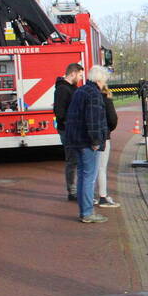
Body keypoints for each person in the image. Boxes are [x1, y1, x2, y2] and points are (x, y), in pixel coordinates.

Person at [64, 65, 109, 223]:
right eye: (104, 80)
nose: (104, 84)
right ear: (99, 79)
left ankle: (85, 211)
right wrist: (96, 141)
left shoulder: (80, 91)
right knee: (89, 176)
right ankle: (88, 212)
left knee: (83, 176)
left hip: (75, 139)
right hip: (87, 142)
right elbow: (93, 120)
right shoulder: (94, 94)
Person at [53, 62, 84, 201]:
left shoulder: (71, 88)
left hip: (72, 129)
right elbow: (59, 112)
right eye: (80, 75)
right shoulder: (62, 90)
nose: (81, 78)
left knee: (75, 160)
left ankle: (75, 189)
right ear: (73, 73)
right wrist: (70, 124)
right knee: (72, 160)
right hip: (68, 130)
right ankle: (72, 191)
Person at [94, 84, 120, 208]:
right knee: (101, 168)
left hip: (88, 137)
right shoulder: (105, 98)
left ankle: (88, 195)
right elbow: (113, 119)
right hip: (103, 136)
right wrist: (108, 129)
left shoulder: (86, 95)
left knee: (88, 169)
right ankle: (102, 196)